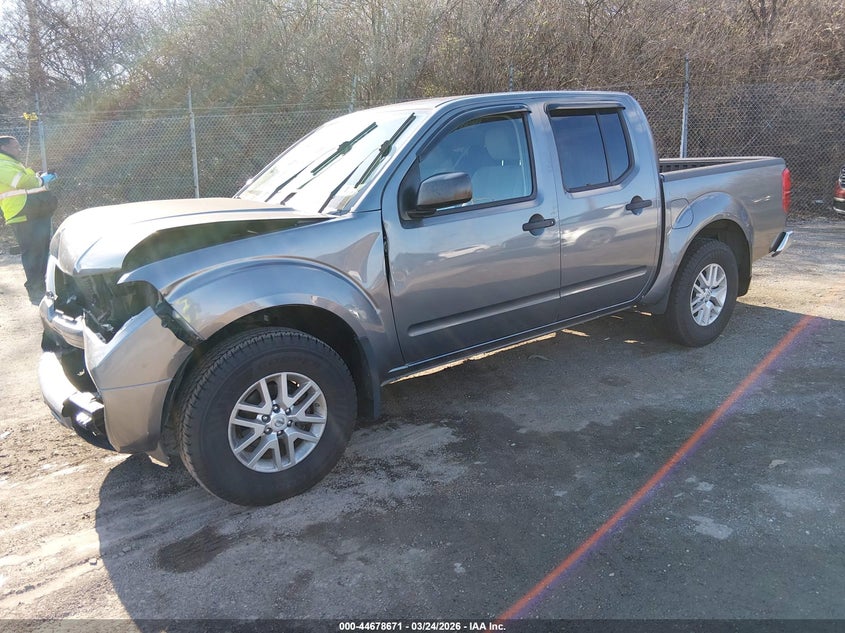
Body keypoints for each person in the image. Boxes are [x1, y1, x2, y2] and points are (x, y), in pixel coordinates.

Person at [0, 135, 57, 304]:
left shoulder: (13, 163)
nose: (19, 149)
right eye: (15, 146)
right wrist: (41, 179)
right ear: (4, 147)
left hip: (32, 212)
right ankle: (35, 290)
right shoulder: (2, 164)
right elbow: (25, 182)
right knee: (33, 253)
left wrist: (40, 177)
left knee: (41, 251)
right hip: (22, 214)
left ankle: (44, 287)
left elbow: (29, 181)